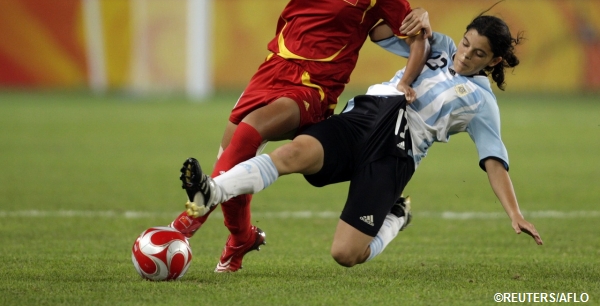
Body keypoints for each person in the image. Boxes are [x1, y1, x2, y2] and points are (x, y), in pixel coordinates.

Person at [167, 0, 431, 272]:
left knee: (249, 133)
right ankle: (241, 239)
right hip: (270, 71)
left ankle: (186, 222)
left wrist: (407, 80)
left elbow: (418, 39)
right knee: (233, 157)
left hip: (313, 88)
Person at [180, 13, 543, 269]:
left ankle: (396, 217)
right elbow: (380, 31)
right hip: (364, 118)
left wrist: (515, 214)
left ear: (494, 60)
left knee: (345, 254)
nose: (465, 55)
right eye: (466, 43)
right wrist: (414, 15)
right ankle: (213, 190)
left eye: (478, 54)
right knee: (292, 153)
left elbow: (494, 160)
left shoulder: (482, 103)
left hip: (394, 154)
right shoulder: (438, 46)